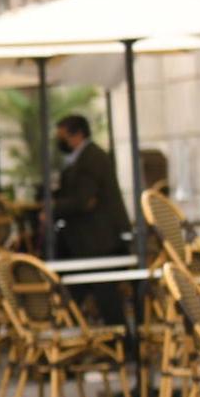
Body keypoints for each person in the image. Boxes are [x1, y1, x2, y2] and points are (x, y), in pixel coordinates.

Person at [53, 114, 131, 329]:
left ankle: (121, 345)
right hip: (87, 243)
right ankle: (104, 343)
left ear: (77, 134)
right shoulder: (82, 158)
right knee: (82, 294)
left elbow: (84, 200)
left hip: (99, 242)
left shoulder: (91, 158)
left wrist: (54, 206)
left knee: (106, 298)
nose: (61, 142)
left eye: (63, 137)